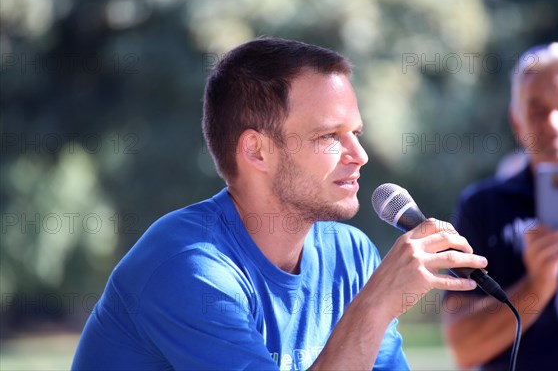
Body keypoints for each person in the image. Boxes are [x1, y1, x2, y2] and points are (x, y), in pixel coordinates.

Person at [72, 37, 488, 370]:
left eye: (356, 132)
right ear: (256, 151)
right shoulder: (188, 267)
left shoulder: (352, 253)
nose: (359, 154)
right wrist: (376, 303)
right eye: (329, 136)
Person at [443, 42, 558, 370]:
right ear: (517, 122)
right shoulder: (483, 206)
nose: (554, 124)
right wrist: (536, 287)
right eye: (537, 110)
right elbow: (463, 348)